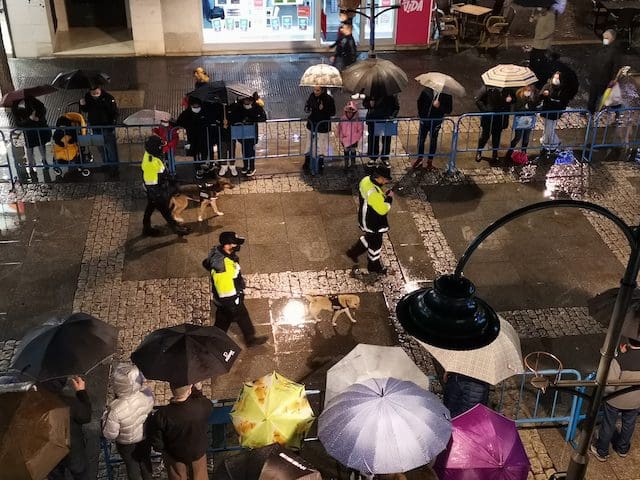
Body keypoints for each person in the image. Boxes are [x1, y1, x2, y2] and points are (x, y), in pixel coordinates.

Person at [203, 231, 268, 347]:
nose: (237, 245)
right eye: (235, 243)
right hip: (229, 300)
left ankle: (247, 338)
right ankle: (247, 339)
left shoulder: (217, 251)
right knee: (232, 317)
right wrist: (234, 304)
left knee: (229, 319)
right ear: (226, 245)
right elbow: (225, 292)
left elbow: (206, 263)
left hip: (226, 298)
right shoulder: (223, 267)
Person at [148, 383, 213, 480]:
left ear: (172, 390)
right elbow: (209, 405)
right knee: (200, 476)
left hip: (174, 454)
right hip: (197, 452)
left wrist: (163, 450)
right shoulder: (200, 406)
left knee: (177, 477)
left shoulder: (162, 414)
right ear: (189, 390)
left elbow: (157, 441)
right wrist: (198, 391)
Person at [591, 337, 640, 462]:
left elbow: (610, 386)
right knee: (629, 424)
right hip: (636, 400)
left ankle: (602, 451)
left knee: (608, 424)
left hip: (615, 399)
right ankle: (623, 449)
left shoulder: (619, 360)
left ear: (629, 341)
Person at [102, 363, 155, 480]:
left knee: (132, 467)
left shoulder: (115, 410)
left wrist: (106, 416)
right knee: (146, 461)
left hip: (126, 444)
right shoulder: (147, 394)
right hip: (144, 437)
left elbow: (110, 434)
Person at [346, 166, 393, 274]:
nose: (386, 182)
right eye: (385, 179)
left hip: (366, 217)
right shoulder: (373, 192)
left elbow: (373, 198)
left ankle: (353, 252)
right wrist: (389, 199)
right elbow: (382, 209)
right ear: (379, 177)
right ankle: (373, 265)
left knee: (369, 238)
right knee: (376, 244)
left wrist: (382, 195)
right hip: (373, 221)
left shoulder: (366, 180)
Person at [141, 135, 190, 237]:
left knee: (150, 208)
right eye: (161, 147)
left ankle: (146, 228)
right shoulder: (150, 163)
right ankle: (177, 229)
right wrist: (163, 193)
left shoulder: (153, 156)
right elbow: (151, 184)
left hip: (156, 189)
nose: (162, 149)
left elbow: (161, 172)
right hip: (156, 192)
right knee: (165, 211)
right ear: (156, 148)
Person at [45, 376, 91, 480]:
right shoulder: (70, 402)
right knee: (80, 475)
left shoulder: (38, 404)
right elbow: (85, 417)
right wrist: (81, 392)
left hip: (51, 450)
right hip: (74, 448)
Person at [80, 85, 119, 175]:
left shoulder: (108, 98)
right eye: (92, 91)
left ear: (99, 89)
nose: (94, 93)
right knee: (101, 148)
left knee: (110, 148)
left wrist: (112, 125)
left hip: (106, 127)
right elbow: (86, 109)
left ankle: (113, 167)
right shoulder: (88, 97)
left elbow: (114, 112)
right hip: (94, 126)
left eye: (96, 91)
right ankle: (106, 164)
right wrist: (82, 105)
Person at [176, 97, 218, 178]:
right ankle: (198, 169)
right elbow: (179, 122)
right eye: (194, 105)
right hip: (193, 138)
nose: (196, 107)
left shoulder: (205, 112)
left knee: (205, 152)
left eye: (197, 105)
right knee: (196, 154)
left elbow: (211, 121)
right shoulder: (186, 113)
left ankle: (206, 167)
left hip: (205, 137)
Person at [227, 92, 267, 177]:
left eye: (249, 100)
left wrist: (251, 119)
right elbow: (234, 117)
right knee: (244, 149)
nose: (247, 102)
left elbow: (263, 117)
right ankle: (245, 166)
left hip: (252, 132)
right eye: (245, 100)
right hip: (242, 132)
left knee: (251, 150)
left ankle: (252, 167)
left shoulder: (256, 107)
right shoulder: (239, 107)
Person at [415, 87, 452, 171]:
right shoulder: (426, 91)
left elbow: (449, 110)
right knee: (421, 139)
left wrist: (439, 106)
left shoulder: (446, 95)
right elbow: (419, 102)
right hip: (425, 120)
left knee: (433, 140)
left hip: (436, 122)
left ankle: (430, 161)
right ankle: (420, 158)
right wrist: (421, 115)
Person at [475, 86, 513, 162]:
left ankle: (495, 155)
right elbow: (478, 100)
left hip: (500, 118)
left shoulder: (507, 88)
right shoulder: (487, 87)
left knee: (496, 138)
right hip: (489, 118)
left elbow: (513, 99)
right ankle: (479, 152)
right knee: (485, 136)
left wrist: (510, 100)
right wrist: (486, 110)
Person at [303, 86, 336, 173]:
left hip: (323, 126)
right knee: (309, 144)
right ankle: (307, 162)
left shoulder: (329, 99)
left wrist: (324, 109)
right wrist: (308, 108)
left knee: (321, 145)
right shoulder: (312, 96)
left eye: (317, 90)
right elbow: (307, 107)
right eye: (314, 90)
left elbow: (333, 112)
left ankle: (320, 164)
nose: (315, 92)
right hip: (312, 124)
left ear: (322, 90)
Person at [587, 29, 621, 114]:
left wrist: (613, 79)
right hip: (595, 78)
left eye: (607, 38)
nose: (604, 39)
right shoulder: (601, 48)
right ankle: (590, 112)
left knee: (608, 97)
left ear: (612, 39)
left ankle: (616, 111)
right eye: (604, 37)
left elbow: (616, 66)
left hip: (605, 80)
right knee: (592, 97)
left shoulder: (615, 51)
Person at [364, 94, 400, 167]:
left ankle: (385, 157)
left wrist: (392, 116)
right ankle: (373, 157)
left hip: (386, 120)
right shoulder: (372, 91)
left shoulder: (391, 93)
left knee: (387, 140)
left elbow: (396, 107)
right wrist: (369, 104)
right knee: (373, 139)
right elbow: (365, 103)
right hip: (374, 119)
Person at [505, 85, 539, 162]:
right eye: (527, 89)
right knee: (517, 137)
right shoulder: (518, 95)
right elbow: (516, 108)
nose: (528, 91)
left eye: (530, 90)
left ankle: (523, 153)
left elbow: (535, 106)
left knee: (526, 138)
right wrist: (524, 106)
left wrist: (530, 103)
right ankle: (509, 152)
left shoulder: (534, 95)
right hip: (520, 119)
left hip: (529, 119)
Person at [539, 71, 569, 155]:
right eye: (555, 77)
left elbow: (563, 103)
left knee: (549, 130)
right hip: (546, 111)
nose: (555, 79)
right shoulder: (547, 86)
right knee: (547, 129)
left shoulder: (563, 90)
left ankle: (552, 144)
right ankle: (547, 144)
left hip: (555, 113)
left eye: (558, 78)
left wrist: (555, 103)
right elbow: (540, 96)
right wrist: (543, 94)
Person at [338, 101, 363, 170]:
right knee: (346, 151)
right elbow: (339, 129)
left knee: (353, 151)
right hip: (345, 139)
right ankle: (346, 164)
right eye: (348, 111)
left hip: (354, 139)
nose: (349, 113)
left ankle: (353, 164)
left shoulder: (357, 120)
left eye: (351, 112)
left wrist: (356, 138)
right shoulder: (343, 119)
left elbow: (360, 130)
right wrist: (341, 138)